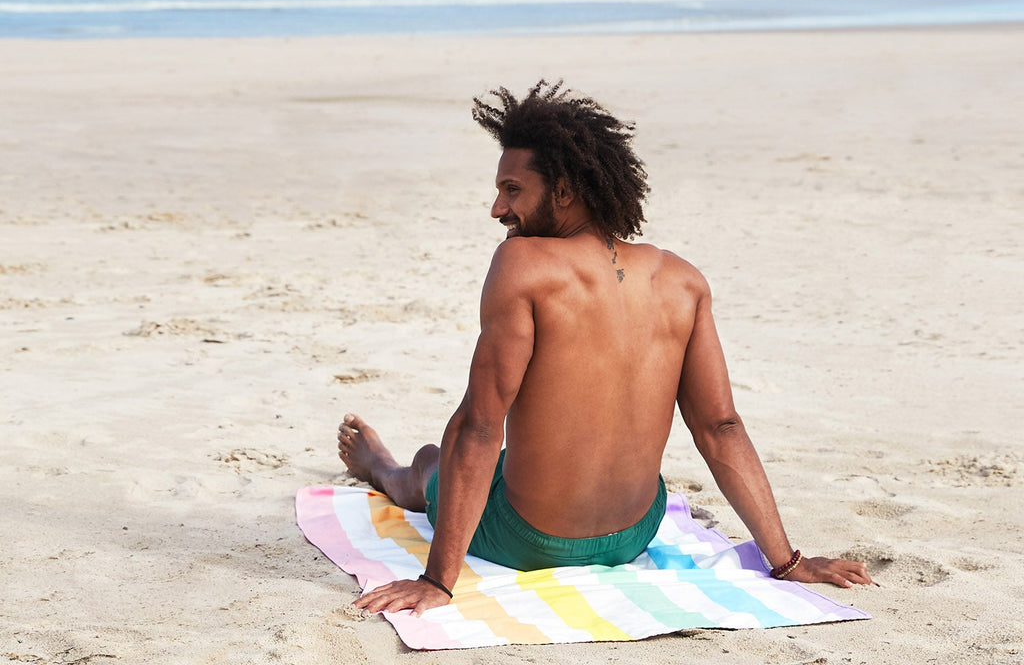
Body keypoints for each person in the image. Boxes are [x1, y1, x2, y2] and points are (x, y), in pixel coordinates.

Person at [338, 80, 873, 616]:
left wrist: (438, 581)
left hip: (529, 540)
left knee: (435, 458)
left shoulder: (522, 265)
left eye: (512, 190)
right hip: (633, 534)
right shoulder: (684, 281)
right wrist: (786, 562)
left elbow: (480, 424)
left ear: (564, 191)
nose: (498, 209)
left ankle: (384, 470)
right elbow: (721, 426)